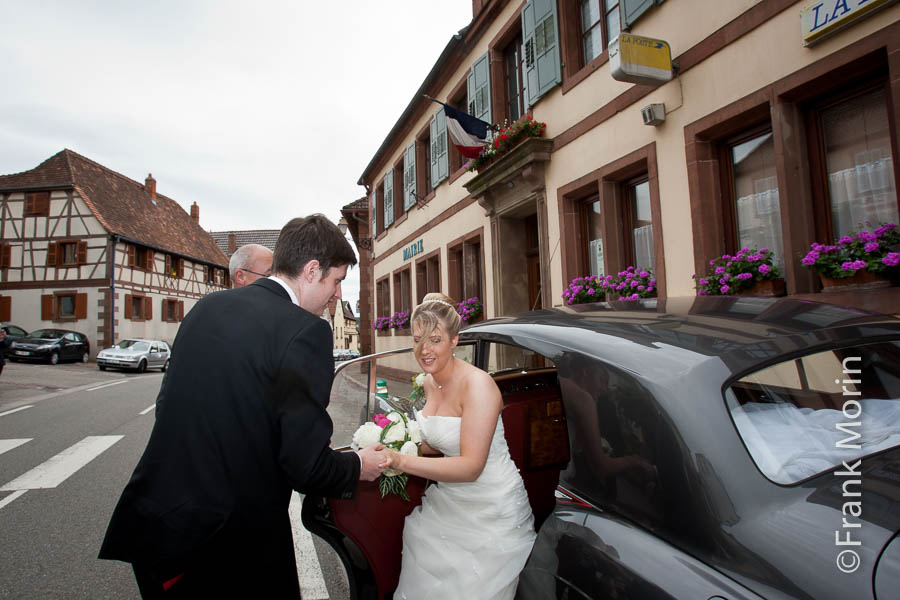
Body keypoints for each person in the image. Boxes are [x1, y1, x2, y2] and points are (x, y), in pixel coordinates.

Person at [99, 214, 389, 598]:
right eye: (336, 282)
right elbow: (306, 465)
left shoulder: (207, 308)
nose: (336, 295)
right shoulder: (305, 331)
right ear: (312, 270)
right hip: (228, 547)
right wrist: (358, 465)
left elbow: (169, 404)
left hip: (159, 528)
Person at [385, 292, 536, 600]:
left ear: (455, 341)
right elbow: (440, 444)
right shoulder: (428, 382)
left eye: (435, 340)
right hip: (449, 503)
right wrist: (403, 442)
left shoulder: (478, 385)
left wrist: (399, 461)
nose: (424, 350)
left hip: (492, 508)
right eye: (417, 340)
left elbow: (470, 466)